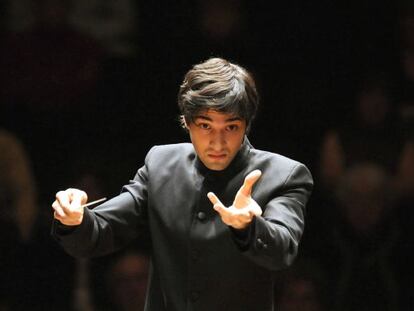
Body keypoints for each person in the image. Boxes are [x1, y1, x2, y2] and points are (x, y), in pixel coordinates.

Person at [52, 57, 313, 310]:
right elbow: (105, 229)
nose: (218, 143)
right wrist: (74, 219)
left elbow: (282, 250)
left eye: (231, 127)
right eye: (205, 125)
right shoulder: (162, 164)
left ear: (246, 126)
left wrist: (249, 226)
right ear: (187, 123)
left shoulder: (284, 174)